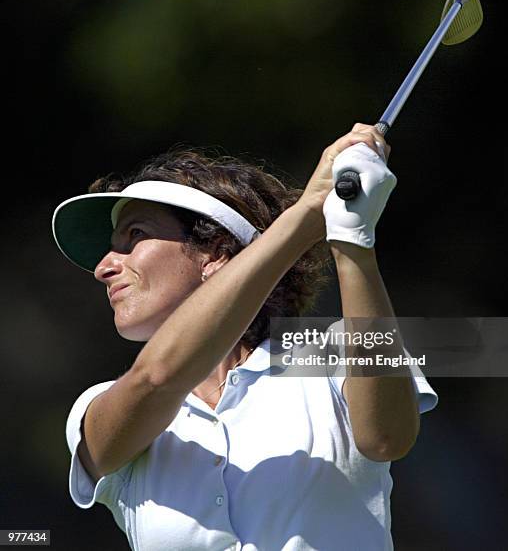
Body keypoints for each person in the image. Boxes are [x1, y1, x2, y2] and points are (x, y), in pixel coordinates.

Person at [53, 123, 437, 551]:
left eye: (135, 235)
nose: (104, 266)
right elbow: (158, 376)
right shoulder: (100, 405)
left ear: (215, 253)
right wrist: (306, 217)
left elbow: (388, 438)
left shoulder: (333, 350)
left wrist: (351, 239)